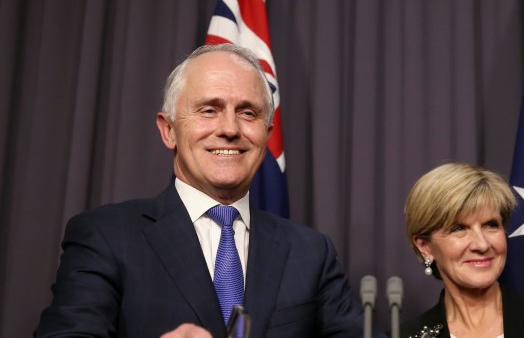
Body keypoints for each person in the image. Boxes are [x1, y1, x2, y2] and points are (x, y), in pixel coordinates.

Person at [35, 44, 365, 338]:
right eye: (209, 109)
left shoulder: (310, 252)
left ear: (266, 135)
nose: (230, 129)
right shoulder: (106, 235)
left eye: (247, 112)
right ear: (169, 131)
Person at [399, 163, 524, 338]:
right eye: (459, 228)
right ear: (425, 246)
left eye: (491, 225)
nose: (482, 244)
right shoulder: (406, 336)